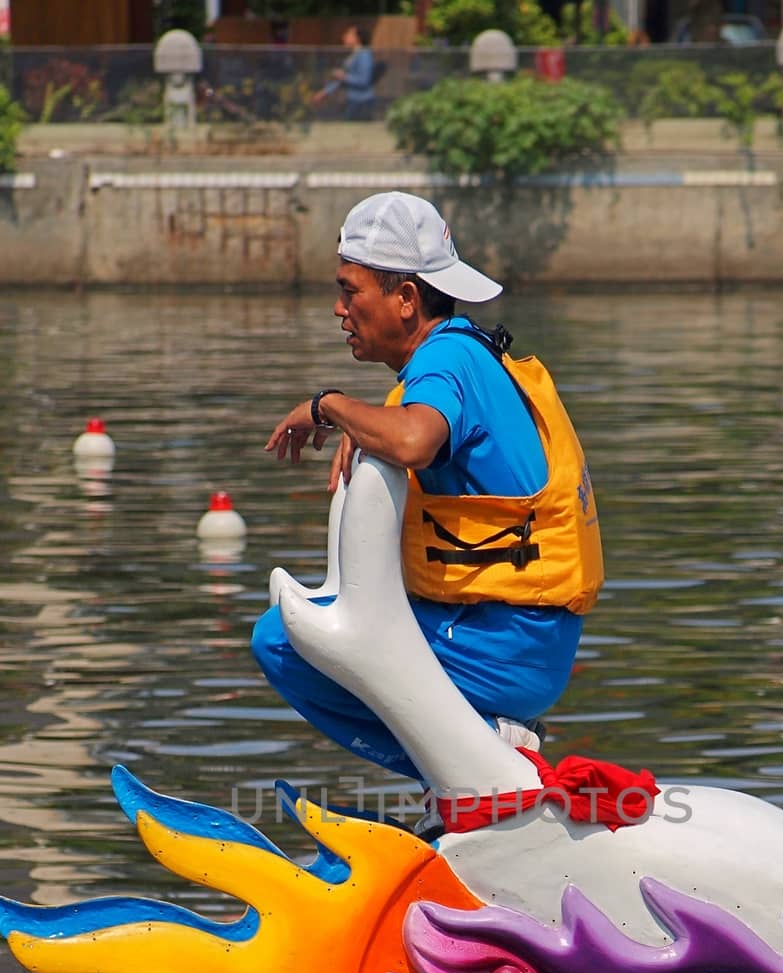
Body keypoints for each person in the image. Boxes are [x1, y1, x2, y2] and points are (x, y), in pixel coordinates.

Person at [258, 189, 603, 783]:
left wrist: (332, 406)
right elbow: (412, 428)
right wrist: (372, 423)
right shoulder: (463, 352)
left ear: (407, 299)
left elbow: (415, 440)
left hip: (502, 644)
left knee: (283, 641)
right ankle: (474, 754)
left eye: (350, 290)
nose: (339, 309)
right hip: (523, 640)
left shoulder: (446, 360)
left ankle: (478, 761)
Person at [313, 24, 377, 120]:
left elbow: (364, 80)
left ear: (358, 38)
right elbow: (340, 80)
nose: (344, 37)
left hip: (362, 101)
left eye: (349, 34)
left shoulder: (364, 55)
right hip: (353, 101)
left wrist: (344, 76)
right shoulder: (353, 56)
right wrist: (324, 92)